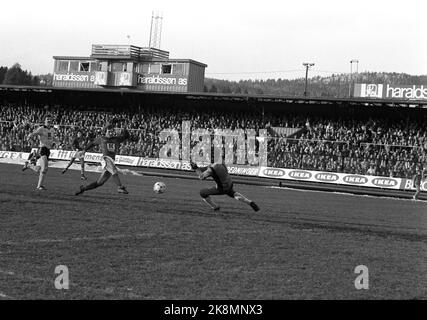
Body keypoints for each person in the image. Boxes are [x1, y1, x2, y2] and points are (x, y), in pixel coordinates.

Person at [75, 122, 130, 195]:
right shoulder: (102, 139)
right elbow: (92, 144)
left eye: (112, 131)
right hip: (106, 159)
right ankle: (120, 187)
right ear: (106, 131)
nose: (111, 133)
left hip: (111, 161)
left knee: (99, 182)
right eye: (109, 131)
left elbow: (126, 136)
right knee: (114, 171)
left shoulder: (116, 139)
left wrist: (124, 128)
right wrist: (84, 150)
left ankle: (83, 189)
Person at [190, 161, 260, 212]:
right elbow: (207, 168)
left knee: (202, 192)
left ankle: (215, 206)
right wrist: (198, 168)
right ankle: (250, 202)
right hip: (229, 183)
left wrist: (196, 168)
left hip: (222, 187)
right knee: (232, 193)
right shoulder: (221, 162)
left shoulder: (212, 169)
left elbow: (201, 177)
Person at [22, 116, 60, 190]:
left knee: (39, 169)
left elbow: (52, 138)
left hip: (48, 150)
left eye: (50, 119)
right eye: (47, 119)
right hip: (42, 149)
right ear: (45, 121)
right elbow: (34, 133)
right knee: (45, 168)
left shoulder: (52, 129)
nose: (49, 120)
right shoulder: (42, 128)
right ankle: (39, 186)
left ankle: (28, 165)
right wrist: (29, 136)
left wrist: (58, 142)